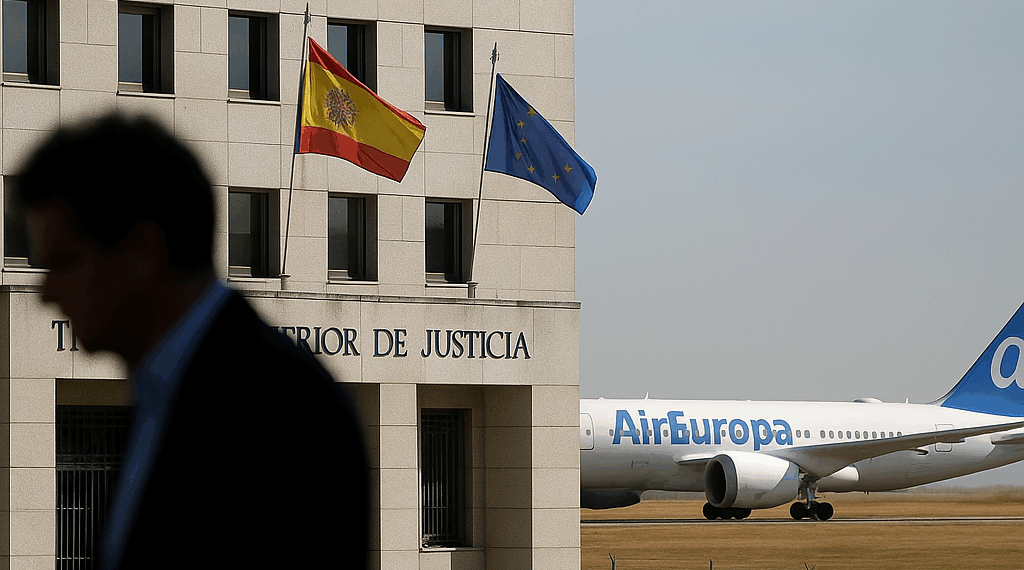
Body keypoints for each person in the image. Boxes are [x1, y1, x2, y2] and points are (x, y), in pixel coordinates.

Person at [16, 113, 368, 569]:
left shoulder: (286, 409)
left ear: (143, 252)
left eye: (65, 261)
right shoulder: (160, 396)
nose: (45, 293)